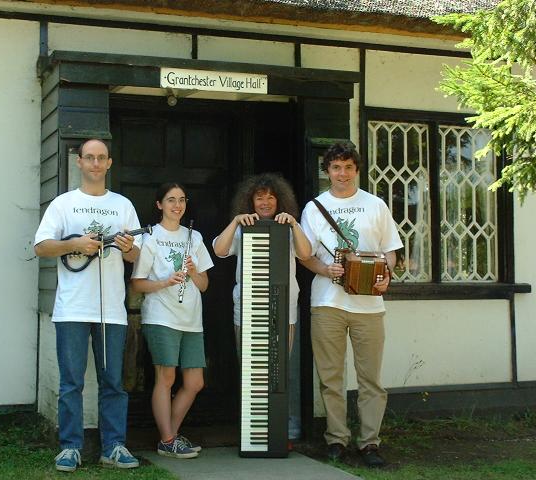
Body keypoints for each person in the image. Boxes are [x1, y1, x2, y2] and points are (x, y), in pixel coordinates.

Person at [34, 138, 142, 472]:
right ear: (79, 162)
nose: (95, 163)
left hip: (112, 309)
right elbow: (41, 246)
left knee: (113, 383)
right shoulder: (63, 204)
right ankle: (70, 447)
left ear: (109, 164)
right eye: (89, 158)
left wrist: (126, 247)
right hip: (72, 309)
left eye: (101, 158)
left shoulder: (122, 205)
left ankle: (114, 446)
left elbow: (137, 255)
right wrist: (75, 244)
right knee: (71, 383)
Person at [299, 142, 403, 468]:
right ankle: (336, 440)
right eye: (335, 168)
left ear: (356, 170)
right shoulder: (314, 208)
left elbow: (390, 250)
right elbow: (305, 255)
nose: (342, 174)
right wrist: (325, 269)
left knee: (370, 379)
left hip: (369, 306)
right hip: (327, 302)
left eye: (347, 167)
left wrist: (386, 275)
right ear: (327, 171)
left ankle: (370, 443)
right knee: (331, 378)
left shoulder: (376, 205)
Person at [212, 172, 311, 441]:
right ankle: (255, 433)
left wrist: (294, 224)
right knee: (252, 373)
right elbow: (220, 250)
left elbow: (306, 254)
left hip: (284, 311)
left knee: (278, 372)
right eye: (259, 197)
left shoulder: (288, 227)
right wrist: (234, 222)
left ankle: (278, 433)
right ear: (250, 201)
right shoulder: (243, 226)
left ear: (280, 201)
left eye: (270, 197)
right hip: (246, 311)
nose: (265, 202)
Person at [131, 183, 213, 459]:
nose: (177, 205)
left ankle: (169, 438)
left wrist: (193, 271)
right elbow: (138, 284)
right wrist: (166, 281)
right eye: (170, 200)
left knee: (194, 382)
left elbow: (203, 285)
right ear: (159, 205)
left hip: (191, 319)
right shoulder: (150, 237)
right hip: (161, 316)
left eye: (181, 200)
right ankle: (168, 439)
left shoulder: (195, 237)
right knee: (166, 377)